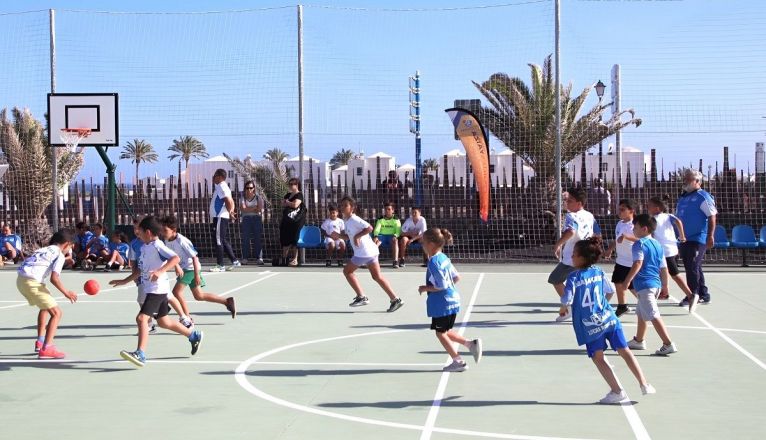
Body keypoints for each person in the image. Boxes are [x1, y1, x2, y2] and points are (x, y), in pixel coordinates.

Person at [559, 237, 655, 404]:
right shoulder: (599, 271)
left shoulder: (573, 277)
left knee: (598, 357)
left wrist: (563, 308)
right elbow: (610, 291)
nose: (572, 257)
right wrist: (601, 305)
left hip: (590, 324)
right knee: (625, 350)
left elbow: (566, 299)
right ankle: (644, 383)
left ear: (582, 258)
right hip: (609, 318)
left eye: (574, 254)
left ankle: (617, 391)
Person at [110, 216, 203, 368]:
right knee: (164, 322)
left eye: (139, 231)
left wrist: (160, 271)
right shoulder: (144, 247)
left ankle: (140, 353)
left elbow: (175, 258)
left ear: (147, 232)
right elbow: (140, 270)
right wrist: (124, 281)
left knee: (141, 319)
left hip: (157, 290)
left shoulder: (157, 245)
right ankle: (193, 335)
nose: (137, 233)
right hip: (151, 289)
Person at [418, 227, 482, 373]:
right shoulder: (443, 257)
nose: (422, 246)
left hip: (442, 303)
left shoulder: (433, 262)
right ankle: (471, 344)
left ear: (431, 244)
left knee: (440, 333)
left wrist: (425, 288)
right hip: (453, 299)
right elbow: (456, 277)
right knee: (445, 330)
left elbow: (442, 285)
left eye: (423, 243)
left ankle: (458, 361)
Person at [332, 196, 404, 313]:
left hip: (363, 252)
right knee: (377, 277)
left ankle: (361, 297)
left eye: (346, 205)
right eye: (341, 205)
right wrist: (338, 236)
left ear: (352, 208)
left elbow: (369, 228)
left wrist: (357, 236)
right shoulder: (347, 221)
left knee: (347, 271)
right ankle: (396, 299)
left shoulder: (354, 219)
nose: (342, 207)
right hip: (371, 251)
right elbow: (349, 236)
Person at [160, 215, 236, 322]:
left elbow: (194, 257)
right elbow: (172, 256)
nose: (163, 233)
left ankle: (187, 318)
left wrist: (196, 275)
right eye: (162, 230)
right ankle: (227, 301)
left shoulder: (182, 241)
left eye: (165, 230)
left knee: (176, 292)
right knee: (199, 295)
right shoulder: (167, 241)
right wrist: (176, 266)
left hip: (190, 269)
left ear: (174, 230)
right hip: (185, 269)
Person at [16, 230, 78, 359]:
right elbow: (54, 279)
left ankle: (40, 341)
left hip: (21, 280)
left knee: (45, 307)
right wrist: (66, 293)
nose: (70, 250)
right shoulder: (59, 255)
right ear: (67, 244)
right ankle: (47, 348)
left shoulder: (42, 249)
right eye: (71, 246)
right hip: (32, 283)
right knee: (57, 313)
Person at [623, 214, 678, 356]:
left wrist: (627, 280)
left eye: (635, 228)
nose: (633, 230)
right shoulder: (657, 244)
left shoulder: (639, 244)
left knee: (653, 314)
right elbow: (663, 267)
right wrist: (665, 286)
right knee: (641, 313)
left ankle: (668, 343)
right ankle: (639, 340)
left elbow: (638, 262)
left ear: (644, 229)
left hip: (645, 285)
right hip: (656, 285)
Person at [548, 187, 595, 322]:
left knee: (555, 279)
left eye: (570, 201)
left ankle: (570, 307)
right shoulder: (589, 215)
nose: (567, 203)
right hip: (585, 254)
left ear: (579, 203)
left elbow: (571, 231)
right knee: (579, 283)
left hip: (573, 257)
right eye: (566, 200)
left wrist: (558, 244)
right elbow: (594, 232)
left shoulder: (571, 216)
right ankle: (583, 308)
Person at [648, 195, 697, 311]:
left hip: (665, 250)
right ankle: (664, 292)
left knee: (674, 274)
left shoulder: (655, 219)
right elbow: (678, 222)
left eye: (649, 206)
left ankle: (691, 295)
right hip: (671, 249)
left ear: (657, 208)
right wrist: (682, 236)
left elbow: (652, 235)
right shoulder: (668, 216)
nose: (647, 208)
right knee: (663, 271)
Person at [676, 169, 717, 306]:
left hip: (698, 238)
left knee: (692, 266)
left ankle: (693, 295)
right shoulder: (683, 197)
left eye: (688, 179)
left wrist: (710, 236)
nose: (685, 181)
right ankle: (703, 294)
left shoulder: (703, 197)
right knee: (694, 266)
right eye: (685, 178)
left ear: (697, 181)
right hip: (684, 238)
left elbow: (712, 216)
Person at [603, 199, 638, 317]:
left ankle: (646, 303)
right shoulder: (620, 223)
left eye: (623, 209)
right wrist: (610, 249)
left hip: (632, 262)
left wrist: (626, 236)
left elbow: (641, 239)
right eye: (619, 209)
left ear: (631, 211)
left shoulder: (635, 225)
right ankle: (622, 306)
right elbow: (617, 239)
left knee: (631, 286)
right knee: (618, 282)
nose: (619, 212)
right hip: (621, 260)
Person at [209, 168, 241, 272]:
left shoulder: (221, 186)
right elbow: (231, 201)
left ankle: (220, 265)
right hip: (220, 217)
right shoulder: (223, 186)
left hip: (220, 217)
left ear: (219, 177)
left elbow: (227, 200)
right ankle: (235, 261)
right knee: (222, 240)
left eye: (214, 175)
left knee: (218, 240)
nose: (213, 177)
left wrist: (230, 212)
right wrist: (231, 210)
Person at [279, 177, 305, 267]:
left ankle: (295, 259)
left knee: (294, 240)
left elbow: (295, 205)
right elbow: (282, 203)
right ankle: (284, 259)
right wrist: (288, 202)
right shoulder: (288, 195)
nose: (289, 186)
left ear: (296, 185)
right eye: (289, 184)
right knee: (285, 239)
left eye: (291, 184)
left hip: (296, 221)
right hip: (287, 220)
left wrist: (288, 203)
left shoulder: (299, 195)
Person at [239, 180, 264, 266]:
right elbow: (243, 209)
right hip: (246, 219)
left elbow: (259, 209)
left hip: (257, 219)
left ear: (254, 188)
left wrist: (249, 209)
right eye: (247, 188)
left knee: (257, 238)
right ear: (245, 189)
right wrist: (254, 208)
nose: (249, 189)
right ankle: (245, 258)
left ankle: (259, 257)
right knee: (245, 238)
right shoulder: (242, 198)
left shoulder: (258, 198)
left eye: (251, 188)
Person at [373, 201, 402, 268]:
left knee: (395, 241)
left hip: (391, 237)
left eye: (389, 209)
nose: (387, 211)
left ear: (393, 210)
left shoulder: (396, 219)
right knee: (375, 242)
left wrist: (395, 236)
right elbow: (377, 229)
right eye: (385, 209)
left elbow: (398, 231)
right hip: (382, 237)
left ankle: (395, 261)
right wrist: (376, 236)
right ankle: (373, 261)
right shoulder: (380, 219)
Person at [321, 203, 346, 267]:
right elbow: (323, 230)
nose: (332, 214)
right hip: (329, 237)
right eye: (331, 213)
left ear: (337, 213)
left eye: (334, 213)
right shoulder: (327, 221)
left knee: (343, 245)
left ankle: (340, 259)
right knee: (332, 244)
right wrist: (330, 236)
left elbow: (343, 231)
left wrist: (339, 236)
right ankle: (328, 259)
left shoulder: (341, 221)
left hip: (338, 237)